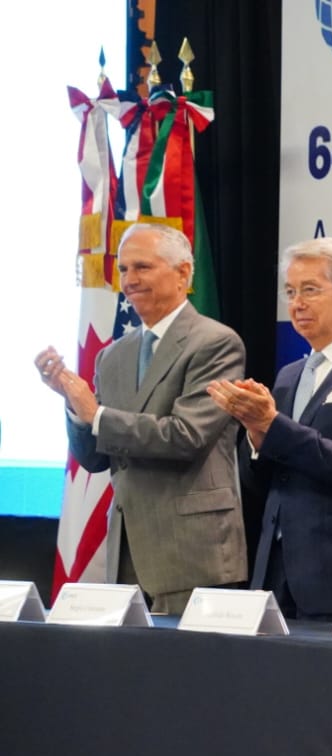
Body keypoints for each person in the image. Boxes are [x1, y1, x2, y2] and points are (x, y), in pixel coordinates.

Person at [36, 223, 246, 614]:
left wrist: (94, 412)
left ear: (183, 273)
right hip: (127, 553)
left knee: (188, 674)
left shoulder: (216, 342)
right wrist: (75, 408)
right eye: (123, 270)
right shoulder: (113, 356)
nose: (129, 280)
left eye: (142, 268)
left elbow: (186, 436)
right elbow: (97, 458)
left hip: (192, 554)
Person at [208, 238, 332, 620]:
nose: (297, 304)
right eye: (290, 292)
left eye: (310, 290)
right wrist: (254, 434)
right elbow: (262, 481)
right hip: (274, 565)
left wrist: (271, 424)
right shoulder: (290, 375)